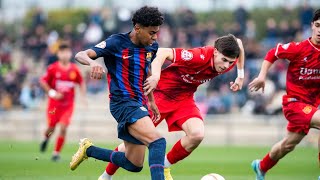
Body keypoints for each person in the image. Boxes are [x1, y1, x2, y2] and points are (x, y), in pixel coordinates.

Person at [100, 34, 245, 180]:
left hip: (184, 99)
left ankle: (164, 165)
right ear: (215, 51)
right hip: (161, 95)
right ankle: (106, 176)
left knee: (197, 134)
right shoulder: (198, 56)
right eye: (224, 60)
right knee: (134, 143)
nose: (226, 65)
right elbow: (163, 52)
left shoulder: (229, 59)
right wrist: (156, 76)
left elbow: (238, 43)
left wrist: (240, 75)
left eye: (230, 62)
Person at [69, 6, 167, 180]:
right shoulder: (116, 42)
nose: (155, 37)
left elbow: (146, 72)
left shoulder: (152, 47)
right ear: (137, 28)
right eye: (152, 33)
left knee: (133, 164)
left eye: (156, 32)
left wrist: (151, 100)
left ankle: (89, 150)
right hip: (123, 103)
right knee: (158, 142)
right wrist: (93, 64)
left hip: (140, 103)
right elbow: (81, 54)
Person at [249, 9, 320, 180]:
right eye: (318, 26)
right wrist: (262, 76)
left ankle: (261, 166)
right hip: (294, 104)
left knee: (287, 145)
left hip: (313, 107)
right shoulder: (299, 48)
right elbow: (272, 53)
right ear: (311, 26)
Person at [39, 42, 86, 161]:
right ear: (58, 54)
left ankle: (56, 153)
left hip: (68, 105)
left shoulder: (74, 69)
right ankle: (46, 139)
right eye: (62, 52)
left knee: (64, 127)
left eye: (67, 52)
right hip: (54, 106)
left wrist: (83, 97)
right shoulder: (53, 68)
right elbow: (43, 82)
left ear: (70, 54)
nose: (65, 55)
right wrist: (53, 93)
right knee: (51, 127)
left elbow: (81, 82)